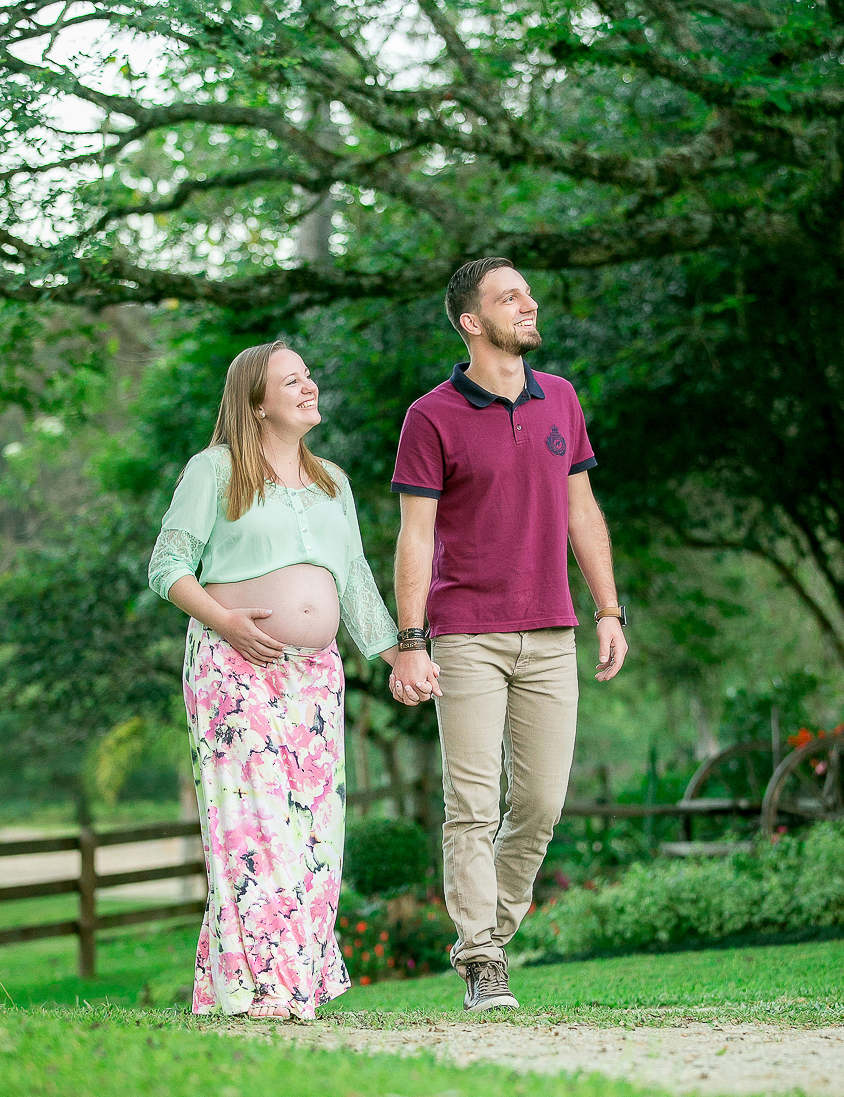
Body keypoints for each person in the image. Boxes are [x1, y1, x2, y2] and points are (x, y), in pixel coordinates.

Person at [389, 258, 628, 1012]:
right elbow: (415, 539)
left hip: (552, 630)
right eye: (509, 298)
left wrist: (609, 609)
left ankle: (486, 932)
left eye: (527, 293)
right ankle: (484, 961)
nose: (529, 304)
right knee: (472, 804)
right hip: (466, 636)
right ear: (471, 321)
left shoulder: (560, 399)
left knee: (542, 805)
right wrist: (411, 638)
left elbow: (583, 512)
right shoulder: (431, 416)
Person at [148, 340, 400, 1020]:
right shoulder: (215, 470)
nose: (310, 386)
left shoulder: (331, 482)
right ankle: (264, 989)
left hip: (316, 679)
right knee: (253, 830)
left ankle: (282, 983)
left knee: (316, 834)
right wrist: (226, 620)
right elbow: (167, 565)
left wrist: (397, 653)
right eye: (293, 381)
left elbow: (353, 581)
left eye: (310, 376)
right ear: (257, 402)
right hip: (232, 670)